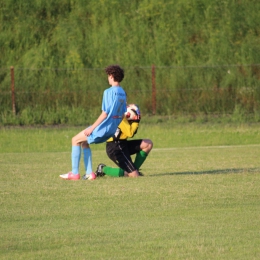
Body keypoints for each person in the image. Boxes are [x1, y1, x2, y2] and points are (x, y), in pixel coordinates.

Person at [60, 65, 127, 180]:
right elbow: (122, 114)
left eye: (108, 76)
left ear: (111, 76)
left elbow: (105, 113)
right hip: (111, 130)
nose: (108, 78)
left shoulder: (108, 91)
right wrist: (113, 126)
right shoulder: (123, 93)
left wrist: (92, 128)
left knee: (75, 140)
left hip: (103, 128)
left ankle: (75, 173)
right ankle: (89, 173)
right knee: (84, 143)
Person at [94, 104, 153, 178]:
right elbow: (130, 133)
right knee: (133, 175)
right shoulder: (121, 119)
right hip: (115, 148)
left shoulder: (124, 117)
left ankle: (134, 169)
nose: (138, 114)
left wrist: (135, 121)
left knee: (148, 144)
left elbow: (132, 132)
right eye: (136, 113)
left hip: (123, 144)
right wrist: (136, 121)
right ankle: (103, 169)